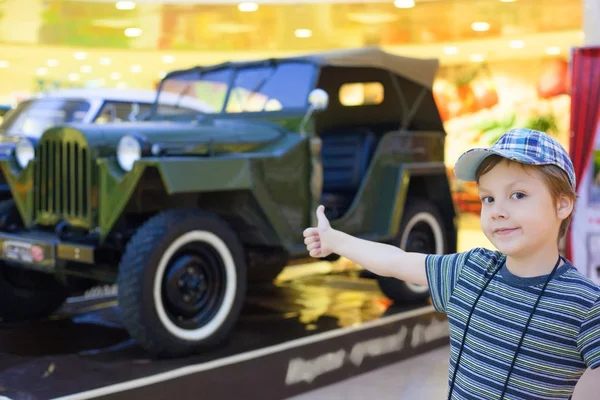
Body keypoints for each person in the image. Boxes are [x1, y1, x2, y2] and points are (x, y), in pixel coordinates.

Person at [303, 128, 600, 399]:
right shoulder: (469, 271)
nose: (497, 211)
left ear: (562, 204)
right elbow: (396, 261)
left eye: (518, 195)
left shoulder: (586, 303)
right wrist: (335, 241)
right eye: (488, 198)